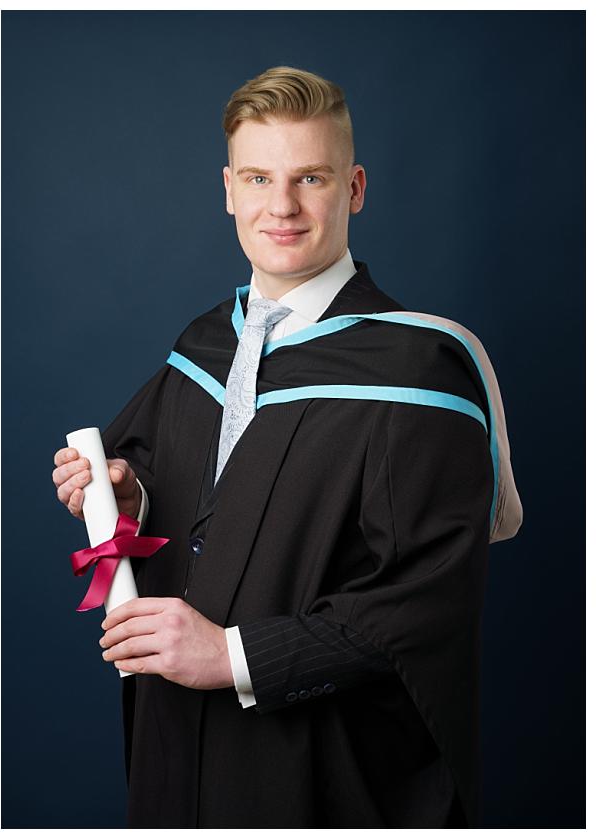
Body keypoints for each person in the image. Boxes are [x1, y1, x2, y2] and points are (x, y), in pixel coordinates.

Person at [52, 66, 521, 827]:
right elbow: (191, 508)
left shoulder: (416, 373)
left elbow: (422, 601)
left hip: (321, 771)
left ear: (355, 188)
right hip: (173, 754)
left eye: (311, 177)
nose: (283, 206)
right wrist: (132, 495)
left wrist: (232, 656)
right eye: (259, 177)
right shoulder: (203, 346)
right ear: (228, 188)